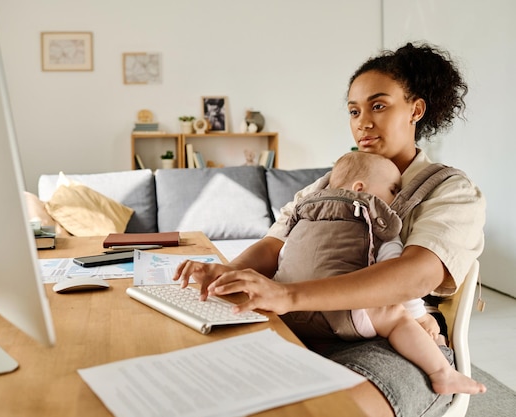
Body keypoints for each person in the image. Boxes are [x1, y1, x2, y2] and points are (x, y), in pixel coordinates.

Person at [173, 42, 487, 417]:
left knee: (328, 409)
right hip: (300, 322)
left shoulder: (450, 189)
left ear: (416, 110)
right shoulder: (326, 185)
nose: (362, 122)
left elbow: (414, 277)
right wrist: (228, 274)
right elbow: (275, 244)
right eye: (354, 110)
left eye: (379, 106)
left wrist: (288, 296)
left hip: (391, 339)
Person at [272, 150, 485, 396]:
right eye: (394, 190)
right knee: (395, 318)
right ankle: (442, 374)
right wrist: (419, 317)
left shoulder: (304, 214)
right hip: (345, 315)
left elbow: (284, 256)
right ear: (361, 188)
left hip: (290, 315)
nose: (395, 199)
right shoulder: (375, 221)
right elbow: (400, 283)